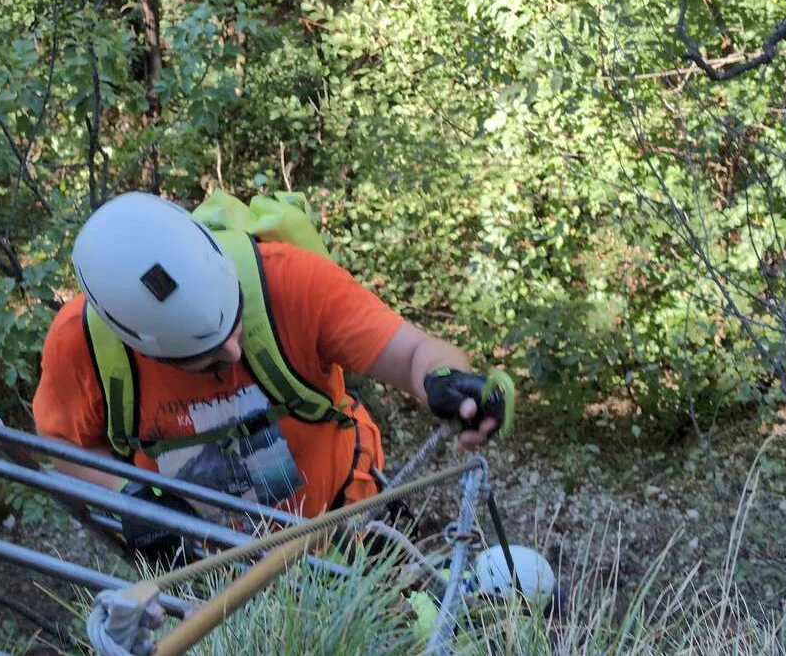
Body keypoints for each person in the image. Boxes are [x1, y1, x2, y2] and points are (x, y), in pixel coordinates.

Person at [32, 191, 505, 559]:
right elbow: (67, 447)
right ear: (135, 341)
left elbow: (414, 353)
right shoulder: (84, 346)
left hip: (347, 526)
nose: (235, 351)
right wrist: (132, 498)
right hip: (208, 567)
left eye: (235, 322)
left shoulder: (292, 282)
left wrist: (445, 379)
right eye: (207, 358)